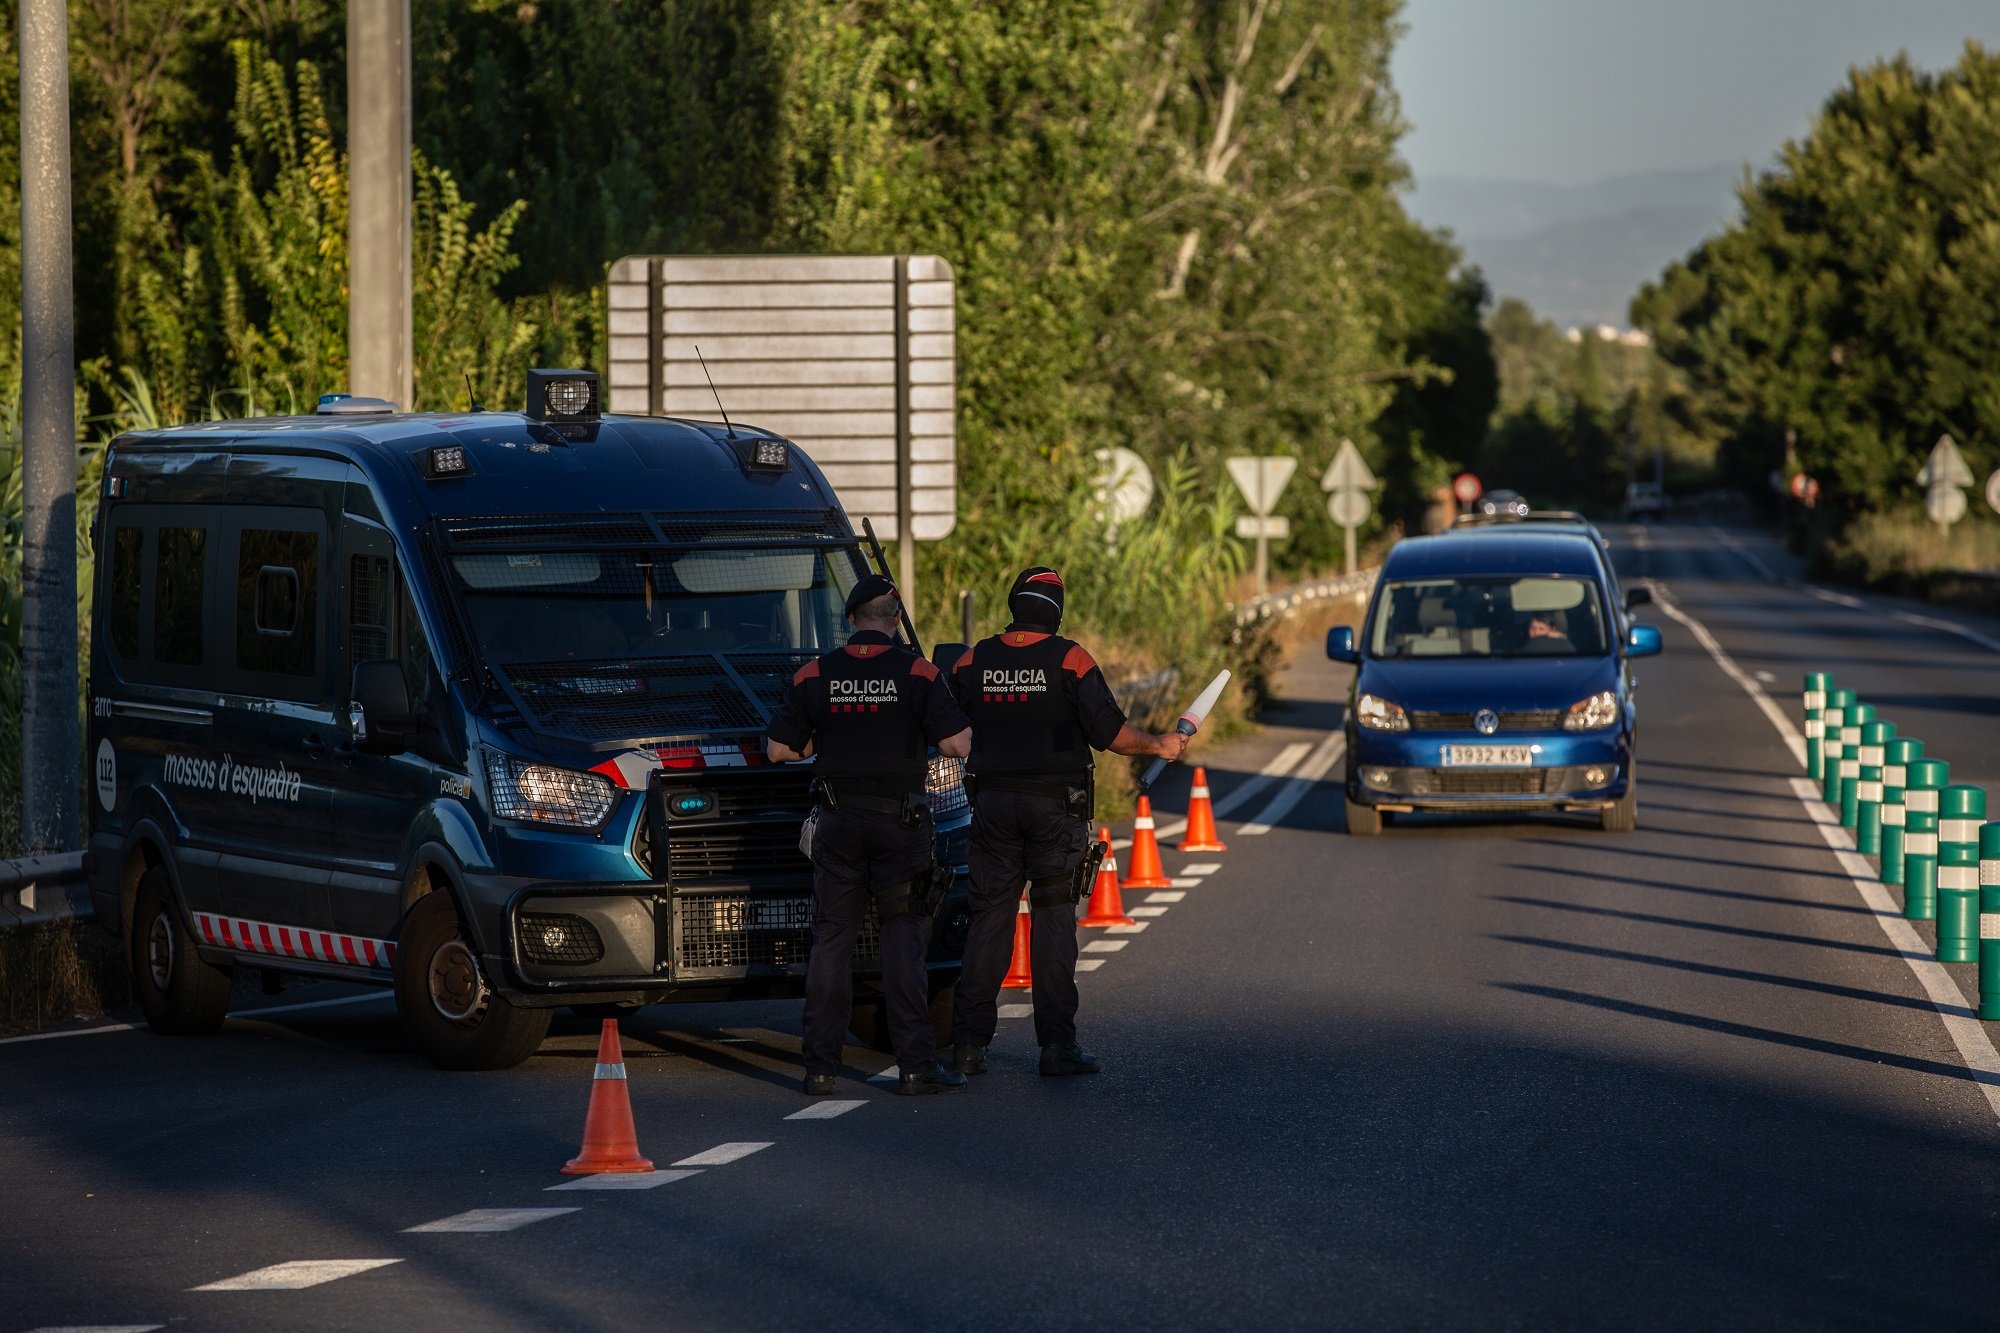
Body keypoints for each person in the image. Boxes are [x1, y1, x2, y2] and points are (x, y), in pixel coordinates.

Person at [947, 567, 1187, 1077]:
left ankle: (967, 1046)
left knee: (989, 921)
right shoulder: (1070, 659)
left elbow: (941, 720)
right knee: (1054, 923)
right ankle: (1056, 1047)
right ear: (1055, 612)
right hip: (1055, 811)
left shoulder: (975, 658)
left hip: (990, 807)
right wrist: (1158, 746)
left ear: (1015, 604)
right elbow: (1111, 733)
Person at [766, 574, 973, 1096]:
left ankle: (820, 1069)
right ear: (896, 619)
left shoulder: (815, 674)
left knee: (831, 942)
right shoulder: (919, 672)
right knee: (902, 941)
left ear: (851, 618)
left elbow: (777, 751)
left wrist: (822, 744)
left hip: (837, 824)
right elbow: (959, 745)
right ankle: (916, 1067)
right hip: (900, 826)